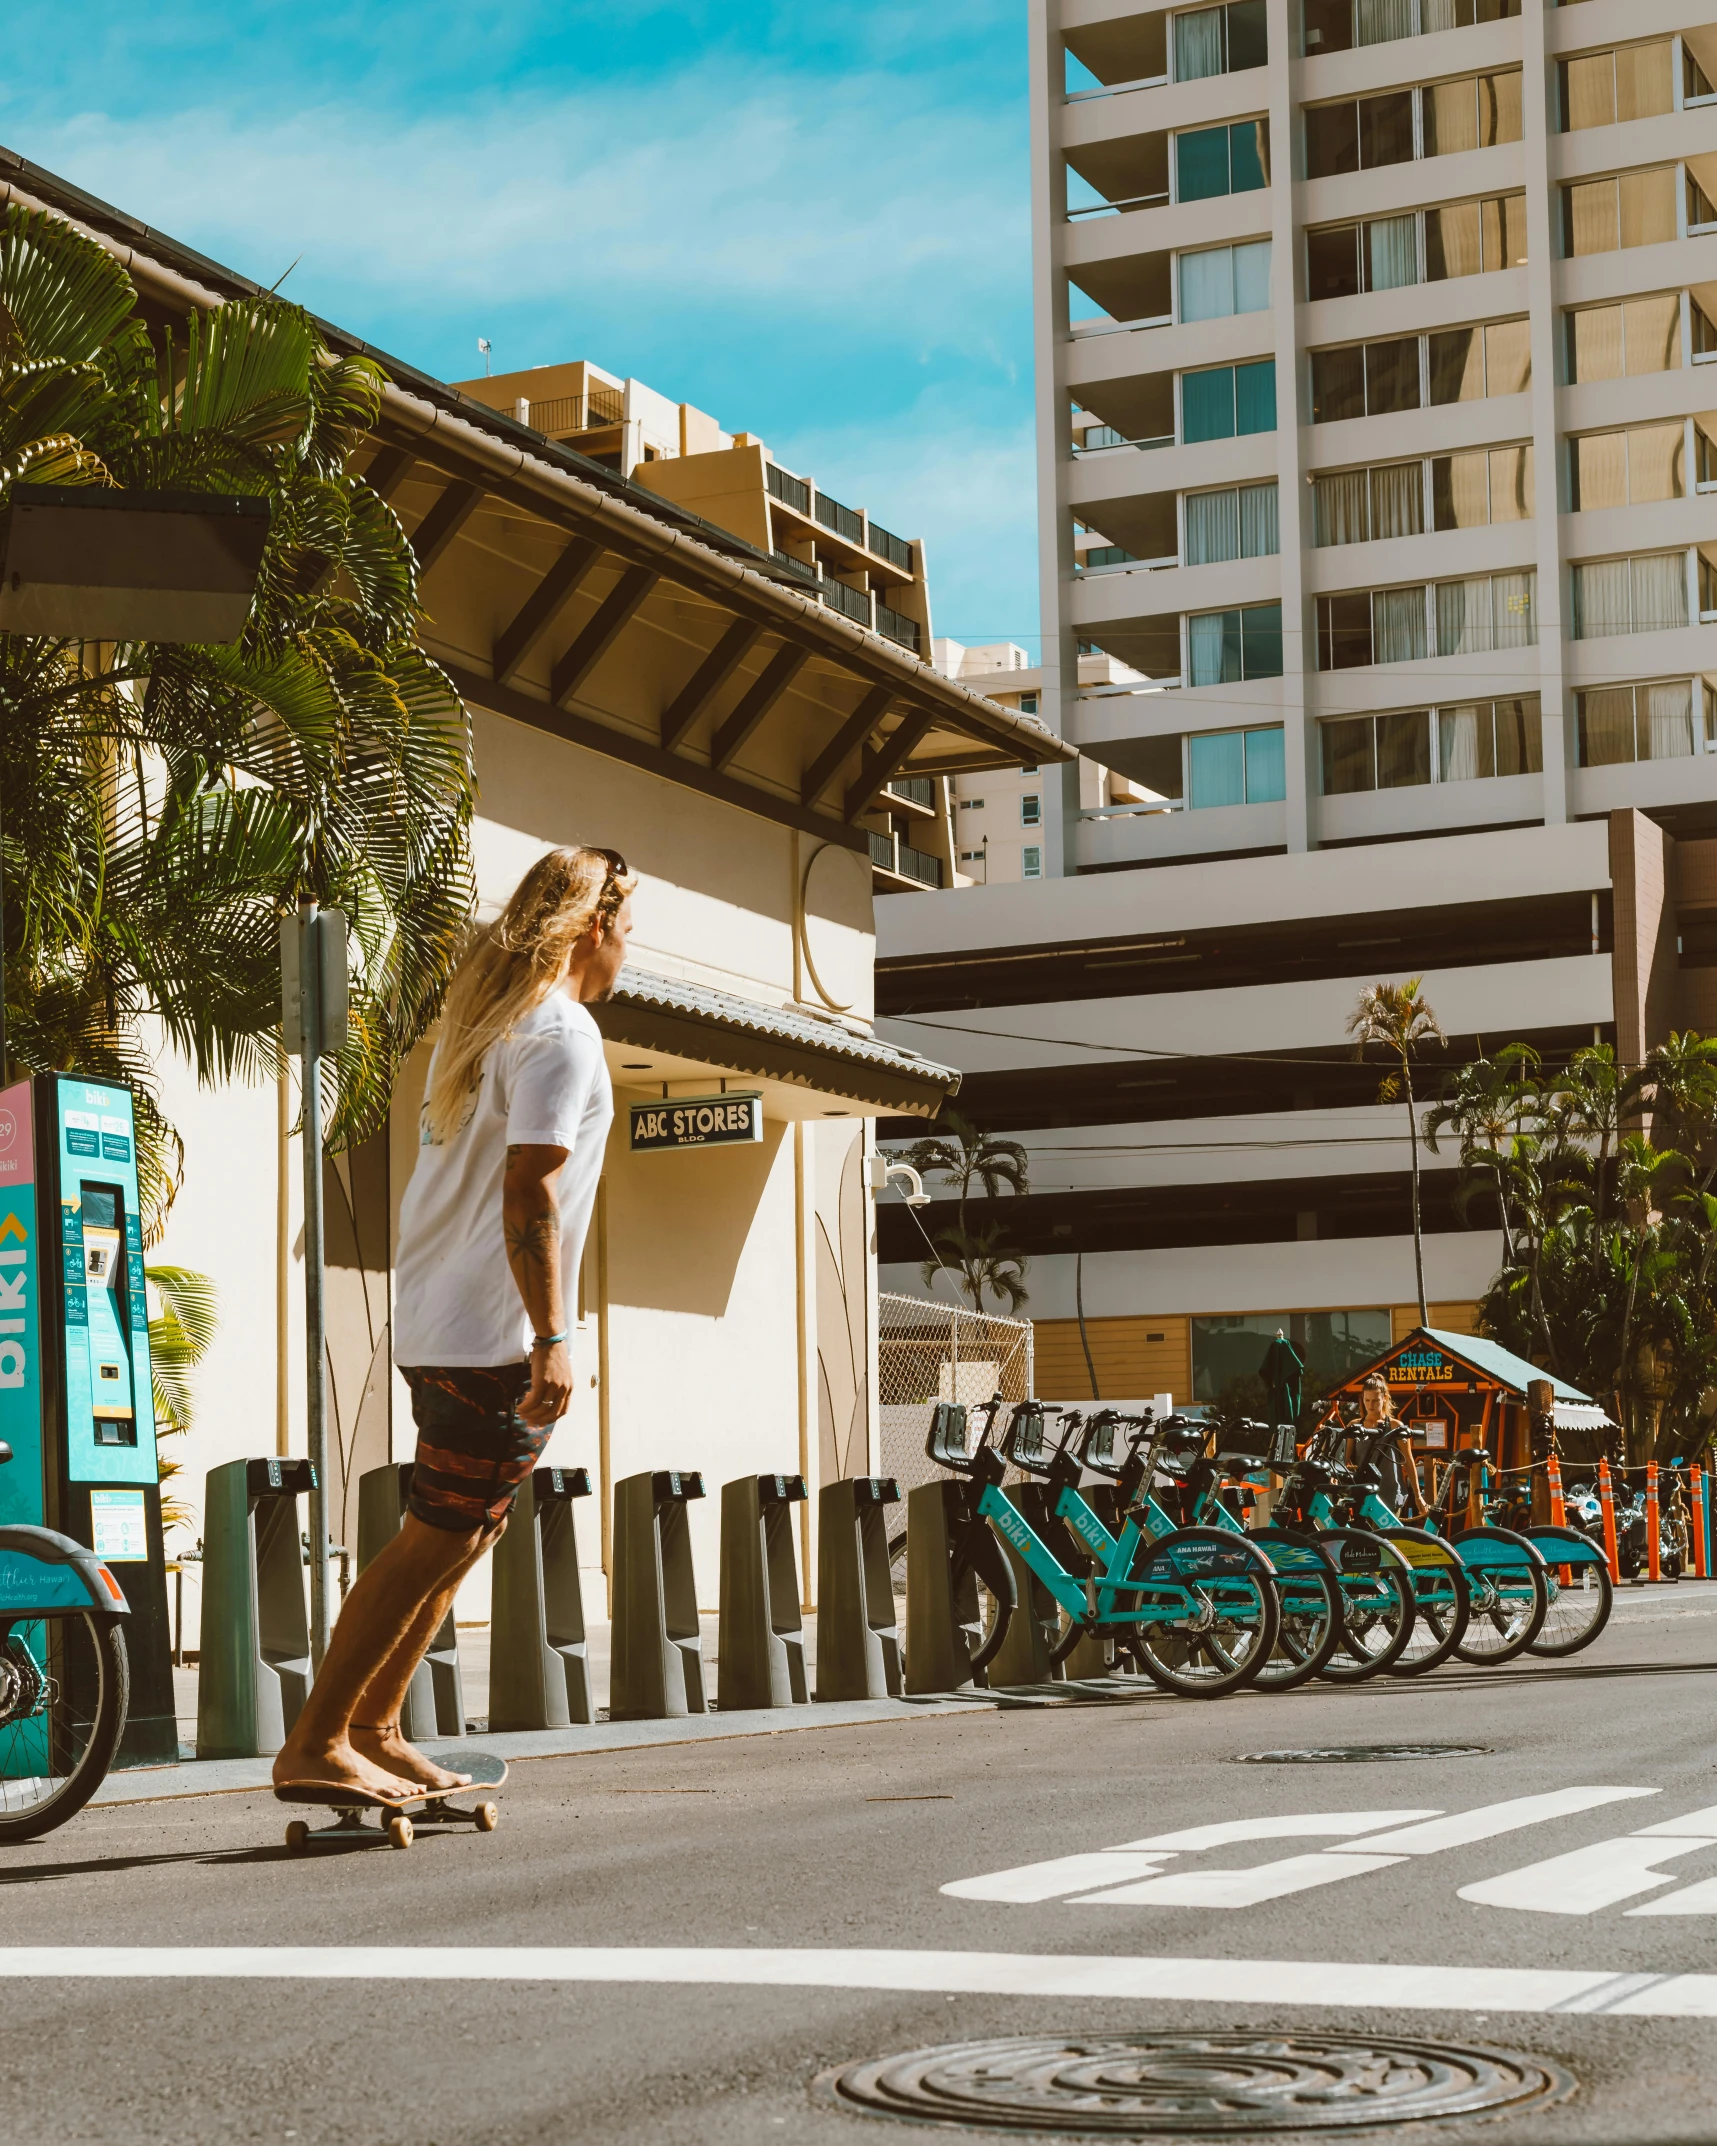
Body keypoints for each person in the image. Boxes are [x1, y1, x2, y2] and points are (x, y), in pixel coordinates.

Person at [273, 845, 633, 1801]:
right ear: (594, 927)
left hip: (441, 1322)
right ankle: (316, 1741)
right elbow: (531, 1191)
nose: (626, 954)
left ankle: (374, 1727)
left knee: (465, 1529)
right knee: (435, 1534)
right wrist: (553, 1335)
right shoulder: (558, 1032)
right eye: (626, 932)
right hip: (493, 1336)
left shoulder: (483, 1029)